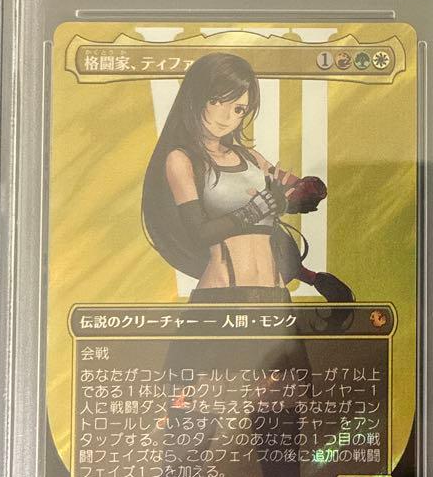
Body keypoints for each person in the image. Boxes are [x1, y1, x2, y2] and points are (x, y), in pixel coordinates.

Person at [141, 51, 350, 304]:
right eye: (217, 101)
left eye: (238, 109)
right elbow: (199, 233)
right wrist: (256, 208)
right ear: (195, 97)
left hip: (275, 296)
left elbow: (302, 188)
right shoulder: (181, 160)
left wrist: (301, 194)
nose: (226, 117)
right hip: (221, 294)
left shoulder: (251, 158)